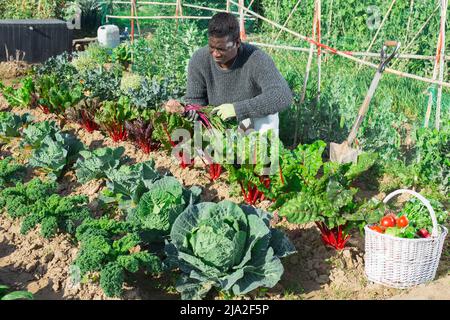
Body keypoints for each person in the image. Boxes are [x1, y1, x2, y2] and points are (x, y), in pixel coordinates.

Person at [164, 12, 293, 133]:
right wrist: (184, 109)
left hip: (253, 119)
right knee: (211, 144)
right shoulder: (199, 59)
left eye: (221, 49)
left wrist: (237, 109)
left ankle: (265, 154)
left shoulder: (256, 58)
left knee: (267, 123)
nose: (215, 53)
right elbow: (196, 102)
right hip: (219, 122)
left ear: (237, 43)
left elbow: (281, 96)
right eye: (212, 47)